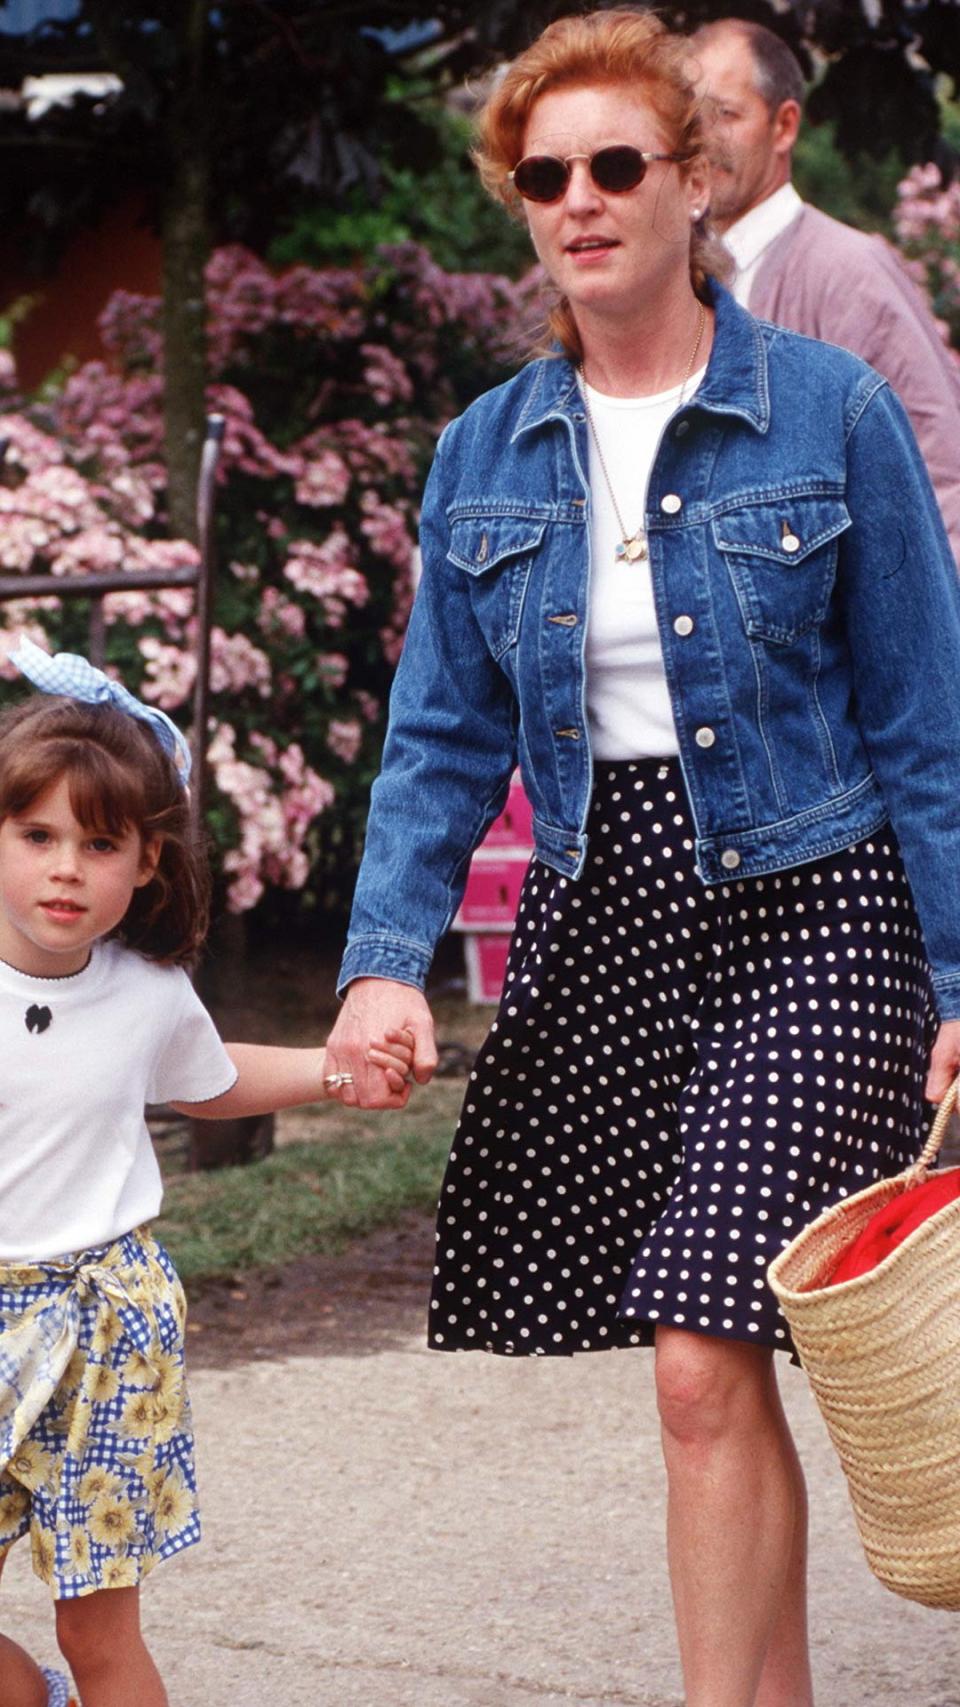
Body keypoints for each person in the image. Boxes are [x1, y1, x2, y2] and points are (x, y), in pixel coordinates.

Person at [323, 8, 960, 1703]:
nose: (582, 199)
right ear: (519, 206)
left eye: (621, 165)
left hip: (818, 904)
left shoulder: (826, 410)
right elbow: (444, 740)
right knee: (701, 1364)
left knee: (699, 1342)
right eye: (547, 176)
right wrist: (388, 959)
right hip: (607, 910)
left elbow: (927, 725)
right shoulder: (485, 451)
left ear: (697, 182)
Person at [0, 639, 414, 1707]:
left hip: (106, 1325)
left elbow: (210, 1079)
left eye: (98, 844)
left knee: (98, 1632)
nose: (63, 868)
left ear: (144, 863)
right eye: (35, 834)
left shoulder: (144, 992)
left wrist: (337, 1072)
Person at [692, 15, 960, 563]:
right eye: (687, 119)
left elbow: (940, 482)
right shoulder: (682, 279)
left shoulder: (846, 272)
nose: (702, 140)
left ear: (784, 126)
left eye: (724, 114)